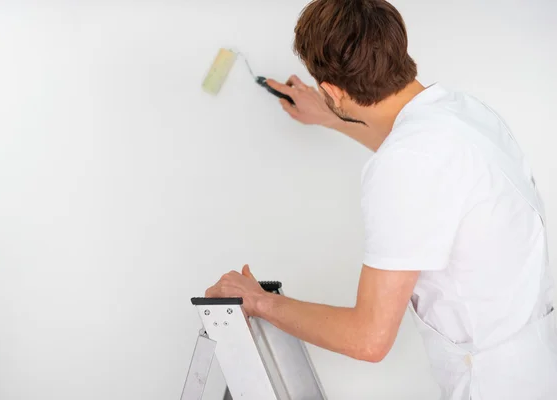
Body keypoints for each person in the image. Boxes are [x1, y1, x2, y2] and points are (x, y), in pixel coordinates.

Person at [205, 0, 557, 398]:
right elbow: (415, 155)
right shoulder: (467, 114)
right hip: (538, 368)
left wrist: (258, 301)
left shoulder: (405, 162)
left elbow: (368, 338)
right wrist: (328, 115)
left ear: (332, 90)